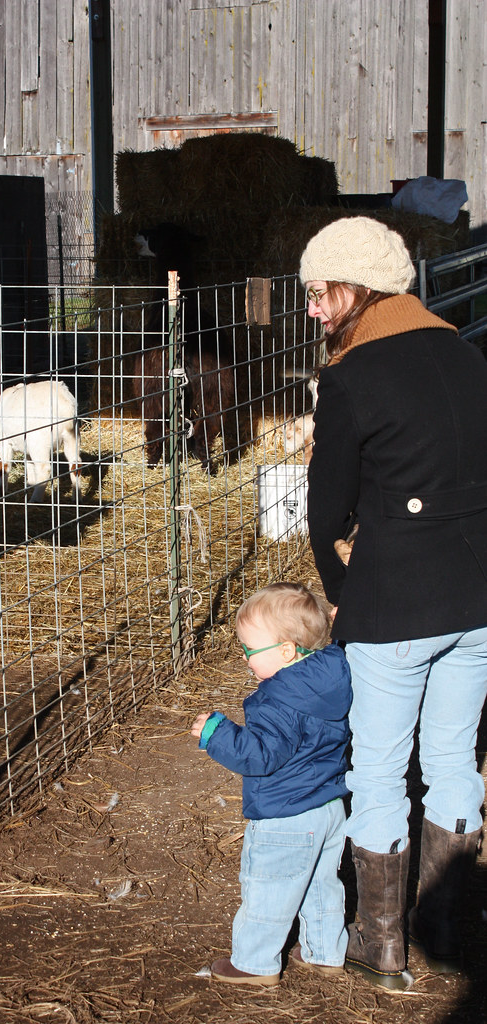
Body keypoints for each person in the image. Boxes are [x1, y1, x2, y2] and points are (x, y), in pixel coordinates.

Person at [301, 215, 487, 990]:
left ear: (358, 289)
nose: (312, 308)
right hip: (475, 599)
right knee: (450, 758)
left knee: (377, 769)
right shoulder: (467, 354)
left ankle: (380, 946)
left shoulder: (350, 378)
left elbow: (324, 510)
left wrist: (341, 590)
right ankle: (447, 924)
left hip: (392, 602)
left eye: (319, 293)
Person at [191, 582, 352, 987]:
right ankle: (325, 951)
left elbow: (262, 755)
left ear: (286, 651)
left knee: (268, 887)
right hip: (330, 805)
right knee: (321, 883)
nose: (245, 660)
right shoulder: (335, 674)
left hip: (286, 813)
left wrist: (217, 733)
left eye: (249, 650)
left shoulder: (278, 698)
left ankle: (254, 962)